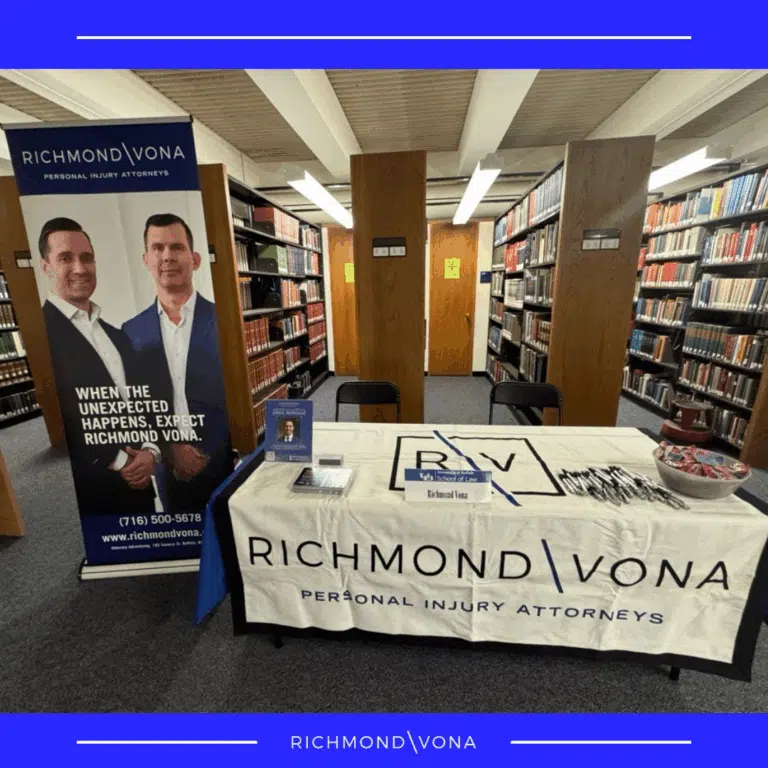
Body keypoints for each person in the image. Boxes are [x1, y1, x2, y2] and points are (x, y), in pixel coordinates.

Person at [38, 217, 159, 516]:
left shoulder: (116, 334)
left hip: (140, 470)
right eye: (65, 258)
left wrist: (150, 450)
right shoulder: (41, 334)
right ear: (45, 266)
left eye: (87, 258)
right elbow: (66, 415)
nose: (80, 268)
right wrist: (125, 464)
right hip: (99, 481)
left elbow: (140, 397)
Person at [122, 213, 232, 515]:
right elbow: (136, 403)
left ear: (194, 258)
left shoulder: (226, 322)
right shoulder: (131, 333)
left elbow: (236, 394)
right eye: (157, 248)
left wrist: (204, 452)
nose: (167, 256)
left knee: (226, 537)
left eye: (176, 247)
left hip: (221, 456)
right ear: (145, 259)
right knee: (179, 532)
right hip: (165, 462)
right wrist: (171, 450)